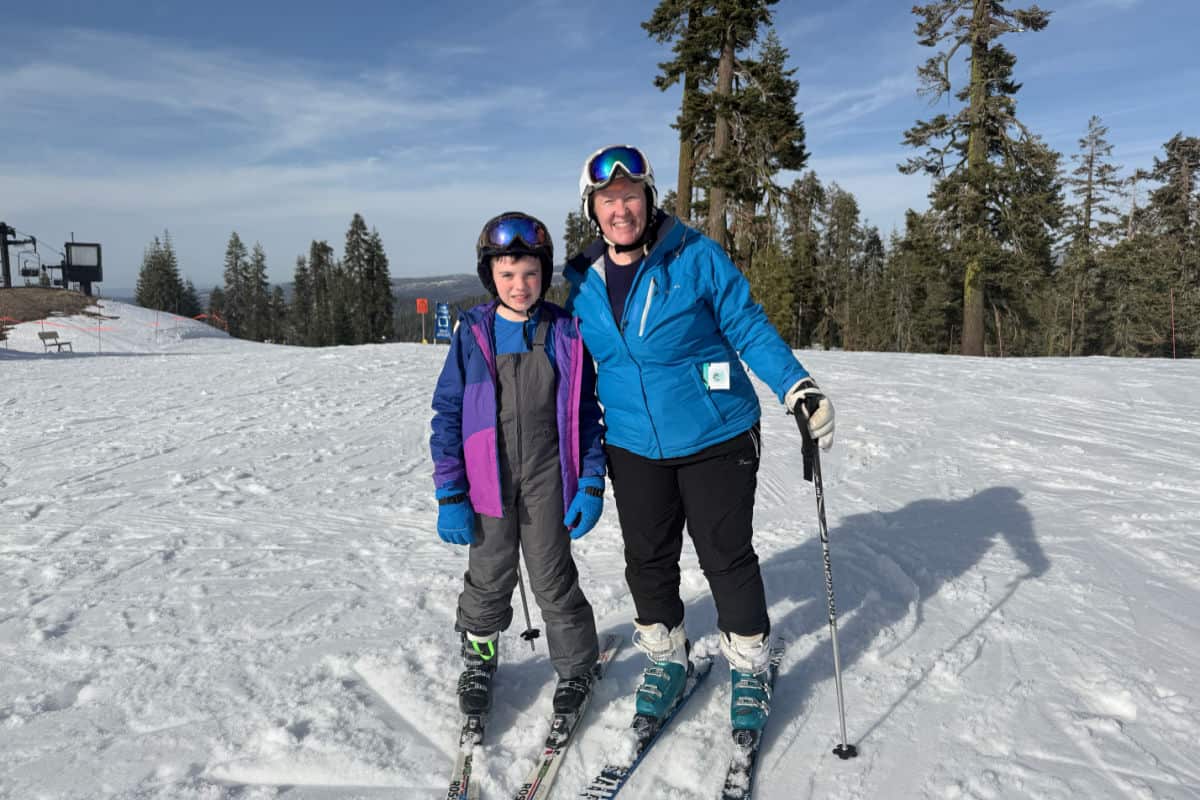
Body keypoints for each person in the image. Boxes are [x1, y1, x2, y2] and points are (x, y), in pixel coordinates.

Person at [563, 145, 835, 733]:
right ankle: (666, 656)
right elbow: (574, 370)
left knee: (724, 555)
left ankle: (750, 662)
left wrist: (796, 386)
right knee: (647, 558)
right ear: (592, 209)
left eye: (630, 196)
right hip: (634, 443)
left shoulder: (694, 255)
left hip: (717, 432)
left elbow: (747, 324)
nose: (620, 209)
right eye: (608, 200)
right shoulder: (582, 281)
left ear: (648, 199)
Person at [430, 211, 607, 720]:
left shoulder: (565, 333)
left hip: (549, 475)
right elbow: (448, 414)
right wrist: (450, 491)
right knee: (488, 575)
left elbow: (586, 415)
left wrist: (590, 479)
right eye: (507, 274)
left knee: (552, 575)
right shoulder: (474, 334)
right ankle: (479, 657)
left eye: (530, 273)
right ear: (490, 276)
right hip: (487, 478)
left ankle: (576, 667)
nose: (520, 285)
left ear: (543, 274)